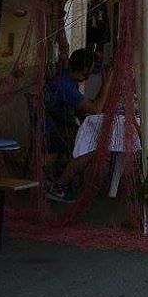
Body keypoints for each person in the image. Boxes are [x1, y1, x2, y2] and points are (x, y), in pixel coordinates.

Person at [45, 49, 112, 201]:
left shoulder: (67, 81)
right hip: (51, 133)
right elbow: (95, 109)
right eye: (92, 67)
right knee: (90, 148)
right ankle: (59, 186)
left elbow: (83, 110)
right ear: (86, 68)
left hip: (60, 127)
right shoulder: (65, 85)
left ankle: (62, 174)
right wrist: (106, 85)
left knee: (90, 138)